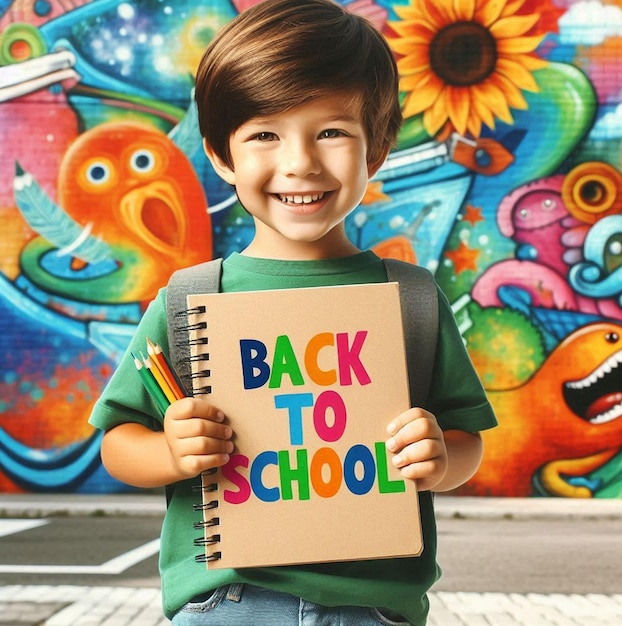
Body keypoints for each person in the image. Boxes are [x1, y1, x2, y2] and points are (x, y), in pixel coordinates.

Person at [89, 0, 497, 624]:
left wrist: (440, 457)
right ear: (222, 156)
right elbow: (119, 442)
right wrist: (171, 452)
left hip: (375, 608)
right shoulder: (189, 301)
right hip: (229, 603)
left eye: (332, 132)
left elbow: (465, 438)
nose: (300, 161)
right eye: (264, 135)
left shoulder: (411, 299)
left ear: (377, 149)